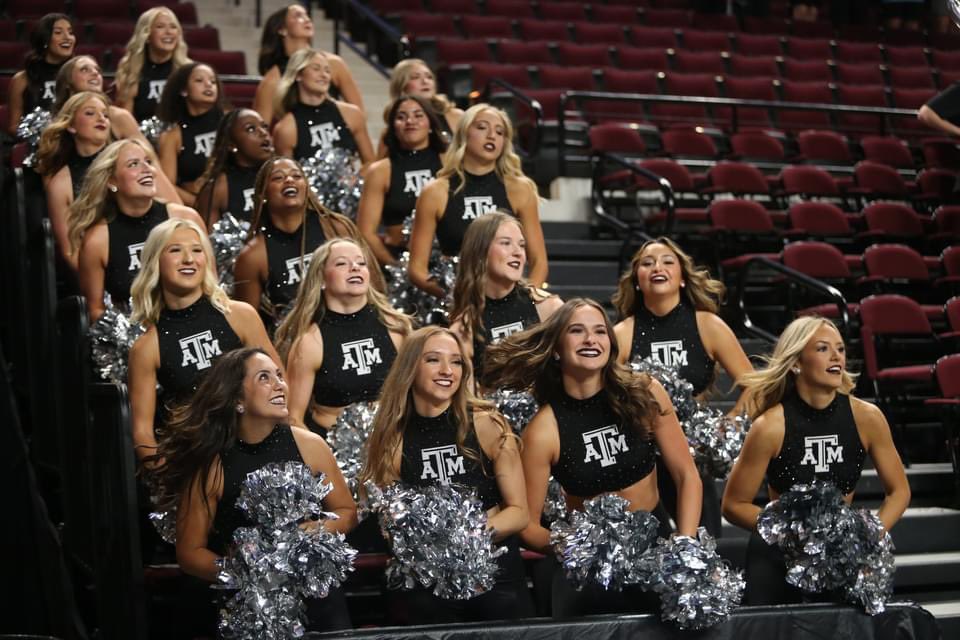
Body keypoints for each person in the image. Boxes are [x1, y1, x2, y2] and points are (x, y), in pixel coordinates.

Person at [482, 298, 702, 617]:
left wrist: (685, 543)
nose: (591, 339)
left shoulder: (644, 393)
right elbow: (528, 525)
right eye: (577, 331)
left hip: (656, 553)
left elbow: (686, 475)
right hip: (589, 573)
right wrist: (579, 549)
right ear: (557, 349)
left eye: (600, 331)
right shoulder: (544, 430)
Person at [147, 347, 357, 632]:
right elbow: (190, 552)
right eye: (264, 377)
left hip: (316, 593)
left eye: (279, 376)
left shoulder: (311, 446)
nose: (279, 384)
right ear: (237, 400)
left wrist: (315, 530)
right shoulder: (211, 465)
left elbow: (347, 511)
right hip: (251, 603)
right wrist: (244, 573)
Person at [721, 317, 911, 606]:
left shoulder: (867, 418)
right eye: (823, 348)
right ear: (797, 362)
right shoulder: (769, 426)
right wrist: (791, 532)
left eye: (840, 349)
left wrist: (865, 537)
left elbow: (899, 491)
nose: (836, 356)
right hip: (779, 555)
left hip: (839, 555)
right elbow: (734, 505)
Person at [359, 326, 530, 624]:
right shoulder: (392, 439)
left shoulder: (487, 424)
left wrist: (464, 537)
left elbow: (518, 512)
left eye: (456, 361)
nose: (447, 371)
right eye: (433, 359)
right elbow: (390, 525)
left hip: (496, 574)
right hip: (429, 583)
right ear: (410, 368)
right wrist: (433, 549)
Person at [611, 237, 752, 534]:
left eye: (667, 261)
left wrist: (728, 425)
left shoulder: (707, 325)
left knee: (702, 541)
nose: (657, 267)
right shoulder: (622, 333)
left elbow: (754, 387)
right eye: (647, 263)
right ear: (637, 281)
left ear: (683, 278)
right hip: (643, 458)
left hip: (691, 454)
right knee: (649, 543)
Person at [128, 218, 281, 462]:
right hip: (198, 460)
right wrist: (166, 475)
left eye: (197, 250)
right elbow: (142, 433)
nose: (189, 259)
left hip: (261, 449)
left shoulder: (240, 316)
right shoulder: (146, 348)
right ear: (155, 261)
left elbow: (279, 384)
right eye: (175, 250)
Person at [276, 238, 411, 437]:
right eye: (341, 263)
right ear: (322, 279)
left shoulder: (396, 329)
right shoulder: (310, 342)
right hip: (335, 447)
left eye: (361, 263)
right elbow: (294, 419)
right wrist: (322, 453)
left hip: (391, 440)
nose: (355, 267)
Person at [410, 103, 548, 298]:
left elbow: (539, 261)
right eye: (482, 127)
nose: (492, 136)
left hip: (508, 299)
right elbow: (416, 269)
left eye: (499, 132)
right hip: (457, 301)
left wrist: (522, 301)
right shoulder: (435, 192)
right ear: (464, 134)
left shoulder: (519, 189)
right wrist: (456, 296)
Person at [68, 138, 203, 321]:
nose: (147, 169)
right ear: (112, 181)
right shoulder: (97, 240)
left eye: (148, 161)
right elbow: (95, 310)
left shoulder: (186, 218)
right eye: (133, 164)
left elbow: (212, 285)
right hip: (137, 332)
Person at [232, 157, 361, 329]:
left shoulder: (336, 228)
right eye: (278, 177)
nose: (289, 180)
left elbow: (372, 284)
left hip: (349, 328)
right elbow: (247, 325)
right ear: (263, 194)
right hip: (294, 340)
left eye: (297, 176)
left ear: (306, 187)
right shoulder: (253, 256)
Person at [449, 211, 562, 382]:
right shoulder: (463, 328)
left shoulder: (548, 307)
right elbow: (469, 393)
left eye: (522, 245)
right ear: (480, 252)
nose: (518, 252)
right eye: (506, 243)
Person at [356, 95, 446, 267]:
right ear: (393, 128)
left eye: (418, 115)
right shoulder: (380, 171)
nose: (410, 121)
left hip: (445, 261)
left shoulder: (449, 163)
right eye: (401, 117)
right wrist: (395, 267)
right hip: (398, 259)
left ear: (431, 124)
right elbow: (366, 232)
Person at [253, 3, 363, 125]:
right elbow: (260, 128)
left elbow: (359, 113)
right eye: (298, 16)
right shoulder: (273, 79)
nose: (307, 19)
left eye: (307, 15)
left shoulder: (334, 63)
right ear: (282, 30)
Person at [272, 48, 374, 165]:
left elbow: (370, 163)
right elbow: (286, 173)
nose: (324, 75)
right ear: (298, 75)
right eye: (316, 69)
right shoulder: (286, 129)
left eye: (327, 71)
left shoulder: (352, 114)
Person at [156, 63, 225, 206]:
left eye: (213, 81)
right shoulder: (172, 136)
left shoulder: (230, 122)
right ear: (184, 90)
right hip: (197, 205)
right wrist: (199, 204)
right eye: (199, 80)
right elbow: (167, 186)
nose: (208, 85)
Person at [194, 108, 274, 228]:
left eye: (264, 126)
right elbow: (208, 237)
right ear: (232, 144)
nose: (263, 132)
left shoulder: (283, 175)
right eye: (250, 129)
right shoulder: (219, 188)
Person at [114, 7, 191, 123]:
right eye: (160, 27)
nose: (169, 32)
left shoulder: (188, 70)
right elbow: (124, 123)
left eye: (173, 27)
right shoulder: (131, 71)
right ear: (146, 35)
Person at [5, 13, 75, 135]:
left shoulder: (79, 75)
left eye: (70, 32)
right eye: (58, 32)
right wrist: (39, 135)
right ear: (45, 39)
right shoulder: (22, 79)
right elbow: (13, 126)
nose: (67, 37)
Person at [53, 55, 145, 142]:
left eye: (97, 70)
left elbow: (147, 152)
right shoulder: (57, 121)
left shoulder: (118, 116)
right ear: (67, 82)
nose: (95, 73)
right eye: (84, 70)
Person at [379, 59, 463, 152]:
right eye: (415, 77)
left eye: (429, 77)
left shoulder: (456, 116)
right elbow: (382, 160)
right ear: (401, 86)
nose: (425, 81)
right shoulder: (390, 131)